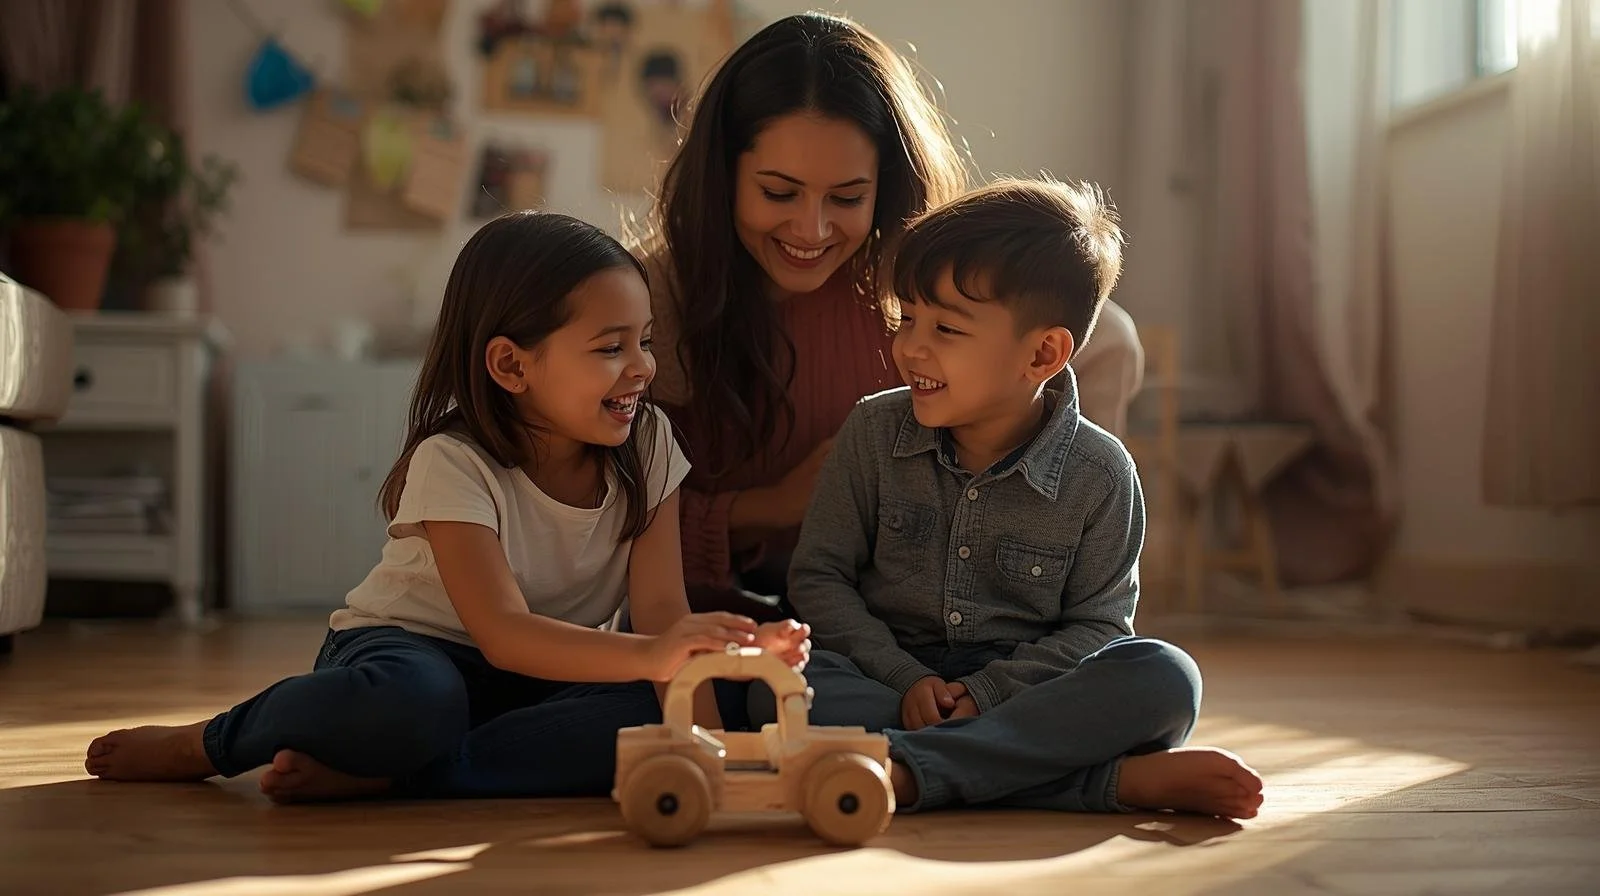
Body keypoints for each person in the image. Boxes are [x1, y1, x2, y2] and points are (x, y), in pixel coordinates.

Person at [83, 212, 809, 803]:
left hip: (544, 671)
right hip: (411, 655)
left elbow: (659, 616)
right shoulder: (454, 462)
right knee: (416, 706)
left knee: (677, 707)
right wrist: (655, 656)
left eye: (645, 341)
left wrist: (705, 748)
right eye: (611, 347)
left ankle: (403, 774)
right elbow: (502, 633)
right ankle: (211, 741)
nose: (643, 367)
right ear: (511, 365)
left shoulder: (650, 444)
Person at [760, 179, 1264, 818]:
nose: (910, 347)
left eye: (946, 327)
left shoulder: (1102, 474)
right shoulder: (871, 432)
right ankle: (1106, 785)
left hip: (1027, 690)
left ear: (1043, 353)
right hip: (884, 676)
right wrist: (904, 677)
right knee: (775, 687)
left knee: (1165, 677)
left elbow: (1099, 627)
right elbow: (820, 578)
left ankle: (907, 768)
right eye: (906, 317)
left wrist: (988, 693)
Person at [638, 13, 1146, 612]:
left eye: (848, 197)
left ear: (886, 185)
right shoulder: (652, 304)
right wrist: (773, 504)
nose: (812, 229)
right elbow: (595, 524)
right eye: (779, 193)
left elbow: (1104, 338)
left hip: (926, 612)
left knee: (1152, 671)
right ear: (723, 177)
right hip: (737, 611)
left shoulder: (912, 287)